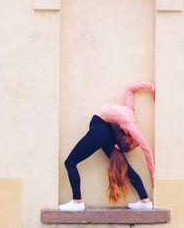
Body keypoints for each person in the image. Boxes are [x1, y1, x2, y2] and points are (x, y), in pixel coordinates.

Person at [58, 82, 155, 211]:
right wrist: (150, 87)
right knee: (125, 167)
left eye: (133, 145)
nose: (136, 144)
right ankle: (145, 201)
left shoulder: (129, 124)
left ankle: (77, 201)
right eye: (134, 144)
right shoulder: (130, 113)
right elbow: (130, 89)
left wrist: (153, 173)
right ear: (128, 138)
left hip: (100, 131)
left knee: (70, 162)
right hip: (104, 131)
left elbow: (146, 149)